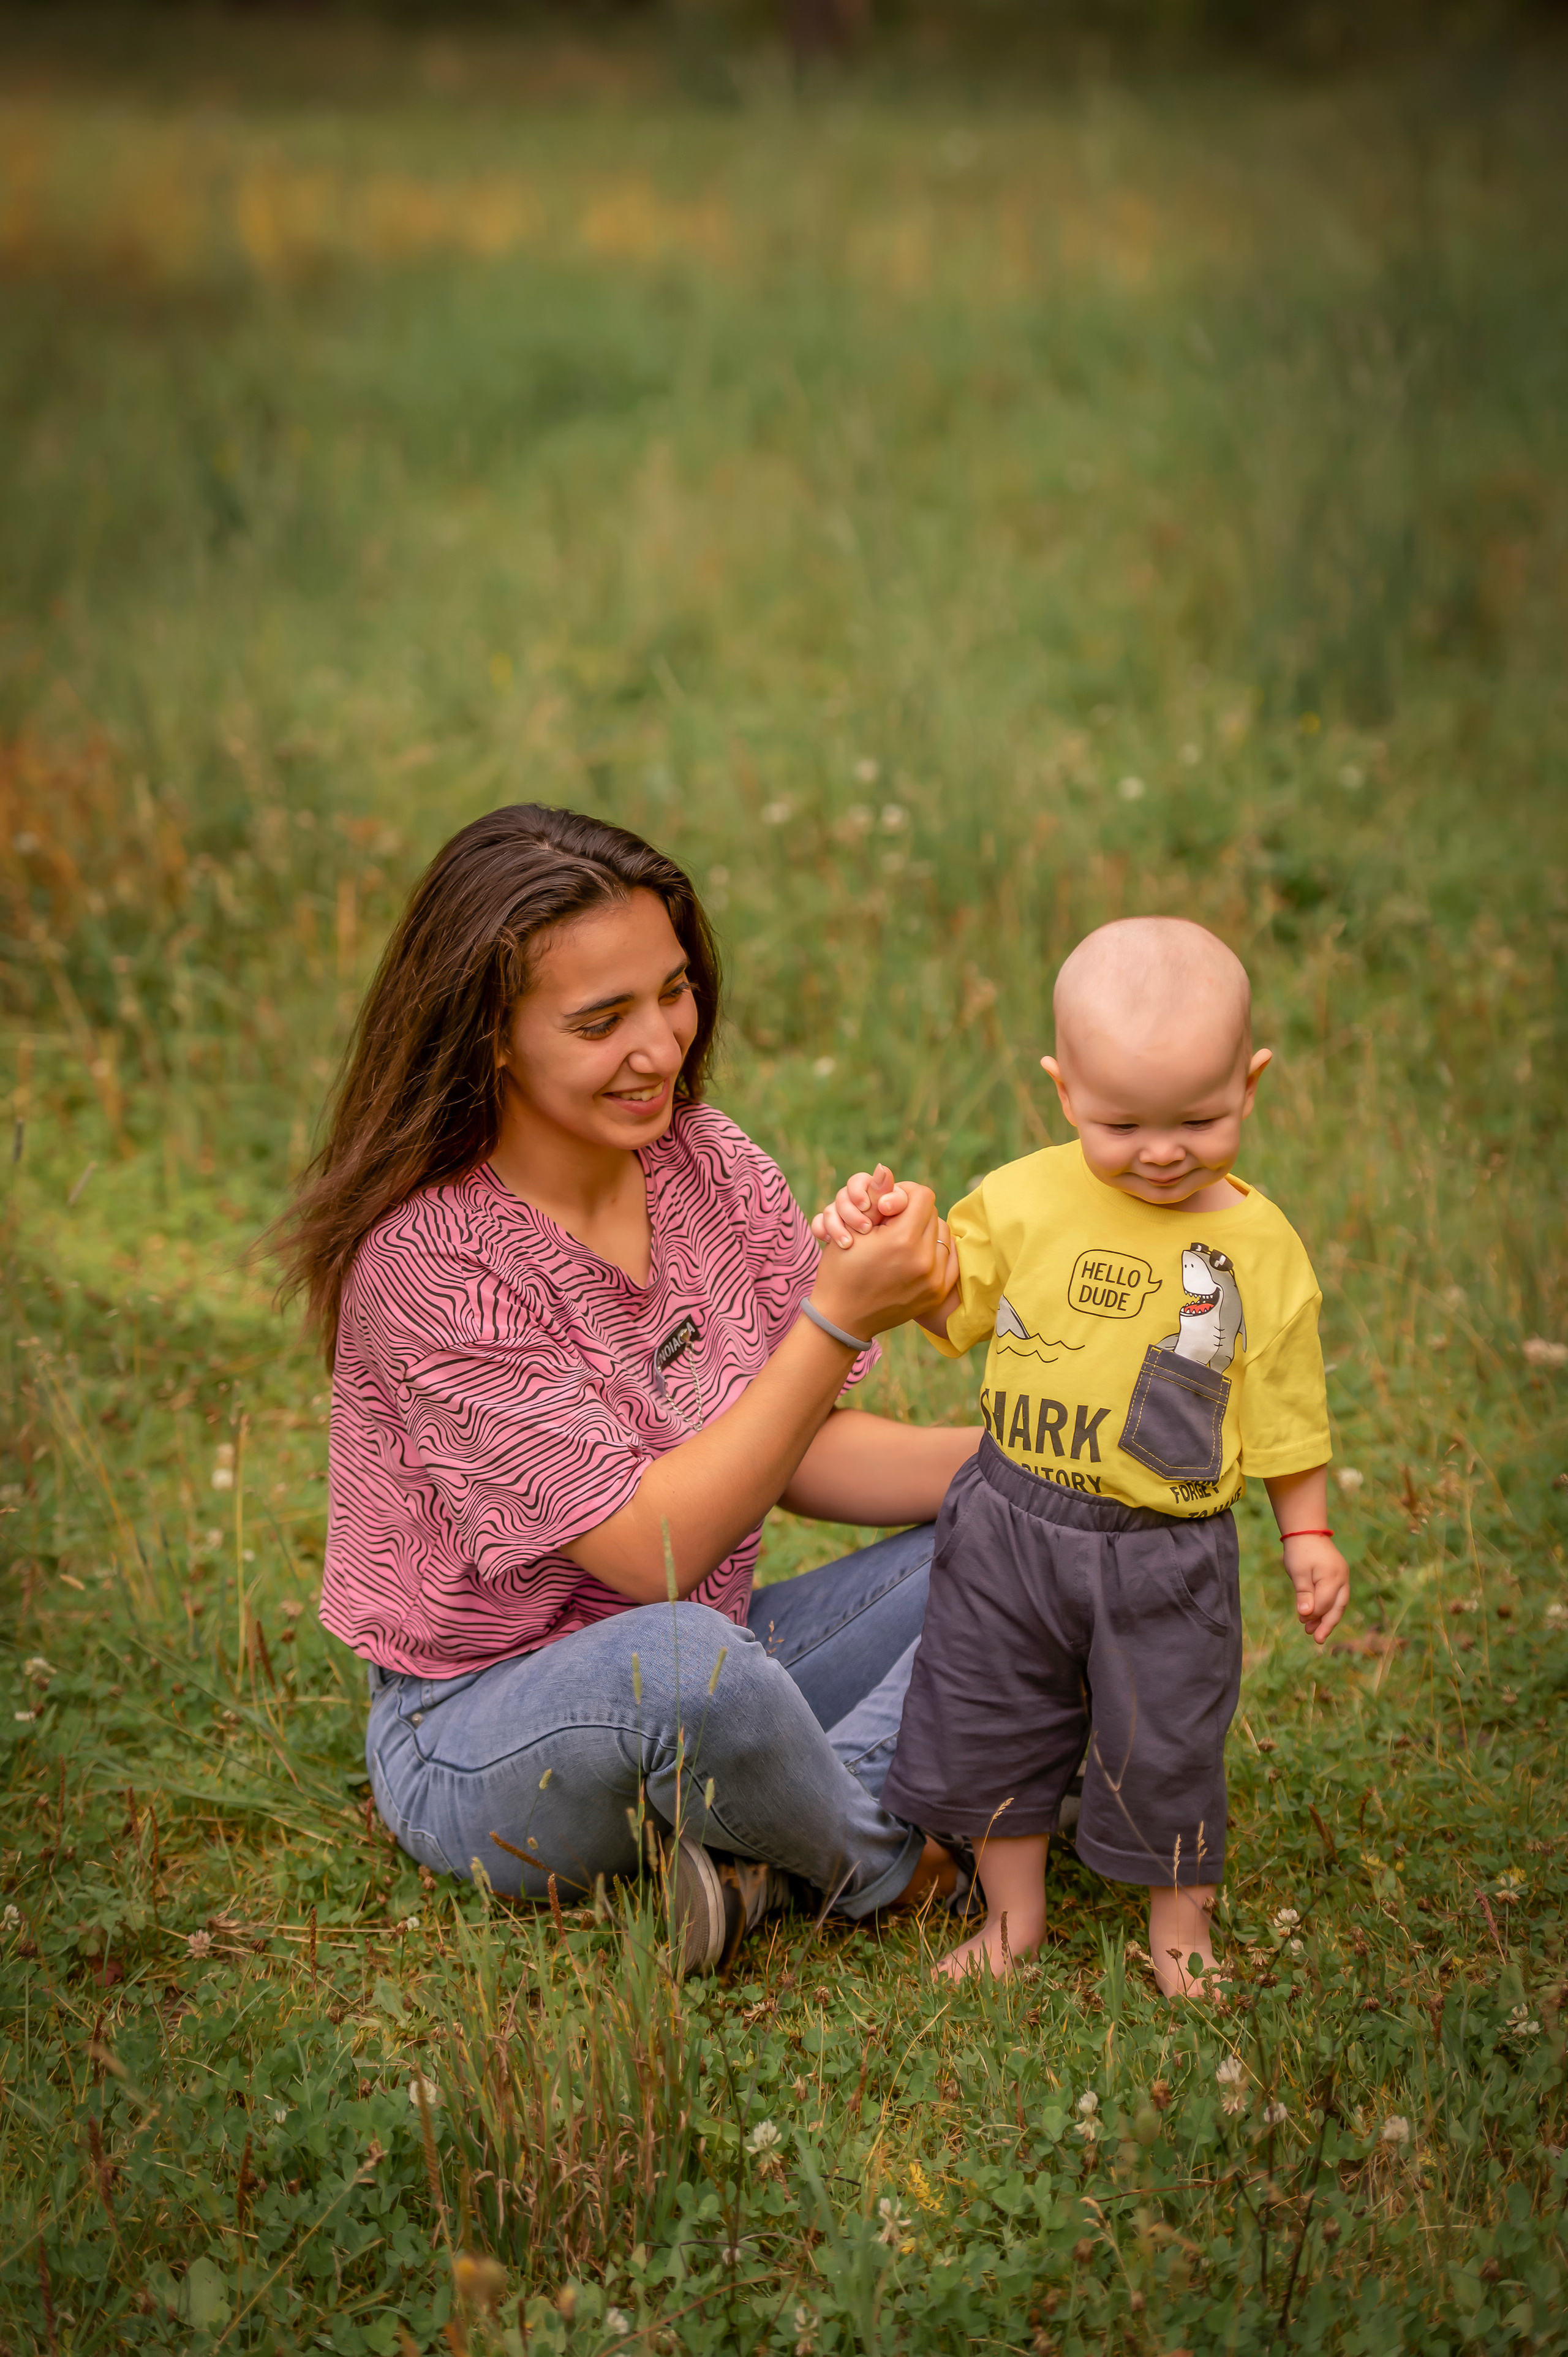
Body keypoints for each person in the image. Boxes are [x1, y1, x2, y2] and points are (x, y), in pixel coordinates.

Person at [276, 802, 978, 1973]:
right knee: (689, 1669)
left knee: (1040, 1533)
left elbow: (795, 1446)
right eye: (602, 1021)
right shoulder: (434, 1266)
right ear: (491, 1036)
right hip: (487, 1729)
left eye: (674, 990)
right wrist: (838, 1315)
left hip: (723, 1659)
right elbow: (657, 1557)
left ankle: (765, 1861)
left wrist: (1036, 1462)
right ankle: (896, 1864)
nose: (660, 1046)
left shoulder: (707, 1161)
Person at [811, 917, 1350, 1996]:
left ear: (1250, 1085)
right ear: (1065, 1093)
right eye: (1123, 1123)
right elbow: (946, 1297)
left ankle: (1181, 1934)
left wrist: (1309, 1531)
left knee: (1167, 1733)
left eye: (1199, 1119)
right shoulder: (1024, 1197)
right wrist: (878, 1235)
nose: (1163, 1150)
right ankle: (1012, 1920)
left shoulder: (1261, 1248)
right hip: (1008, 1522)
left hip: (1164, 1549)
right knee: (994, 1714)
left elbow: (1288, 1410)